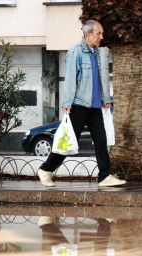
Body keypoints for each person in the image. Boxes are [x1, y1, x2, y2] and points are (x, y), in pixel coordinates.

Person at [38, 20, 126, 187]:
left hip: (95, 107)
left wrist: (105, 99)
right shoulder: (76, 52)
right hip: (79, 105)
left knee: (102, 141)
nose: (102, 37)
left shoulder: (96, 52)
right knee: (68, 141)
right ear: (88, 34)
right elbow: (71, 78)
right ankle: (46, 169)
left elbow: (100, 79)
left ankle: (104, 176)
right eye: (98, 33)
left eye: (102, 33)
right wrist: (67, 103)